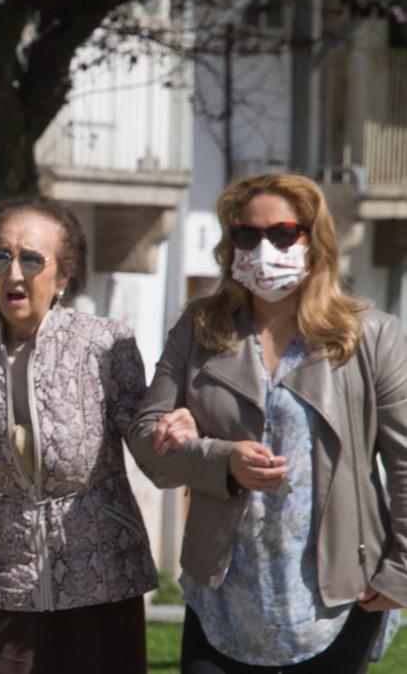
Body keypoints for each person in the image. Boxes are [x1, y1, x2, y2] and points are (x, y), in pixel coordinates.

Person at [129, 173, 405, 673]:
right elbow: (147, 439)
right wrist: (219, 458)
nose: (263, 248)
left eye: (282, 234)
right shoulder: (199, 329)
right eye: (247, 235)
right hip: (223, 595)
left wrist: (400, 572)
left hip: (338, 596)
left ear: (313, 240)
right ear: (230, 245)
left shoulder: (371, 337)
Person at [0, 196, 157, 673]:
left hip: (100, 572)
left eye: (31, 259)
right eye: (0, 256)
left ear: (64, 275)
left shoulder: (106, 344)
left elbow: (144, 434)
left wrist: (175, 433)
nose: (13, 274)